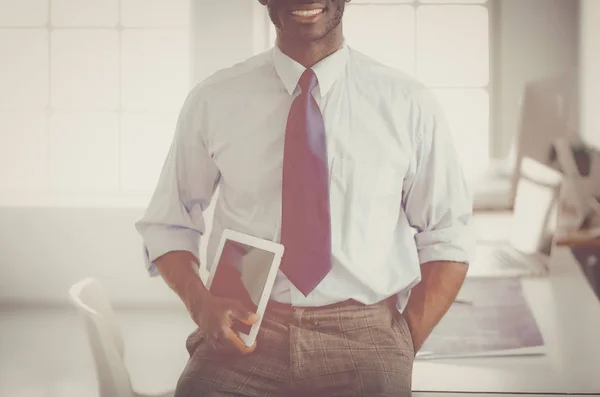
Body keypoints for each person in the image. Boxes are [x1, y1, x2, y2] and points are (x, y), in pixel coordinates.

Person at [135, 0, 473, 395]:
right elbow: (168, 224)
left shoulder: (408, 104)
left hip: (364, 331)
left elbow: (447, 236)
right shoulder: (213, 99)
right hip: (247, 325)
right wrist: (201, 305)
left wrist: (402, 342)